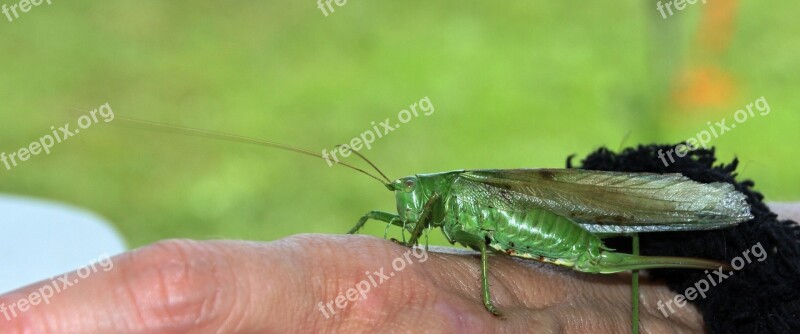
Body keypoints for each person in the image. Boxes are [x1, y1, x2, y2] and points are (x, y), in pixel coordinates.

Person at [1, 204, 796, 333]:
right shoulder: (419, 209)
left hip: (539, 225)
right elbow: (399, 228)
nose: (401, 210)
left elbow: (482, 248)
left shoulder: (451, 205)